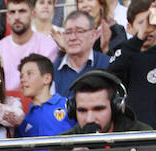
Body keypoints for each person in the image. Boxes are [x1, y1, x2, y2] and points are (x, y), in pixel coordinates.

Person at [109, 0, 156, 129]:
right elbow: (112, 72)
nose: (148, 28)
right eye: (141, 23)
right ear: (129, 27)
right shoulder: (125, 52)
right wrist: (140, 37)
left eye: (151, 22)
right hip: (135, 133)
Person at [62, 70, 153, 134]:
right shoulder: (64, 145)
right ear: (73, 110)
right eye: (82, 111)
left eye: (98, 109)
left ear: (115, 107)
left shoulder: (143, 137)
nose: (90, 119)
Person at [0, 0, 59, 91]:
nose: (17, 17)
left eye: (22, 11)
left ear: (33, 14)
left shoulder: (49, 46)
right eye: (12, 12)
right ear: (7, 16)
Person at [16, 53, 75, 136]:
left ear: (47, 78)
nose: (23, 80)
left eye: (29, 74)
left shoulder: (68, 104)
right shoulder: (22, 120)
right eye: (21, 76)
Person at [53, 10, 110, 96]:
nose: (72, 38)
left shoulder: (107, 64)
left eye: (79, 31)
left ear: (93, 35)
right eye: (68, 32)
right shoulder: (53, 70)